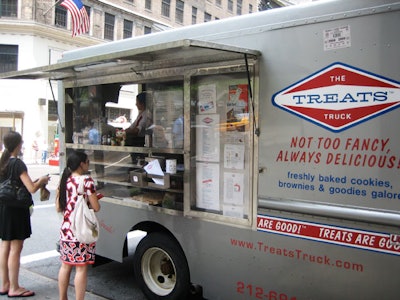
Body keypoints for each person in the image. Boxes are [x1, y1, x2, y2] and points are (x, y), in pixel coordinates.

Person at [0, 131, 50, 298]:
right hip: (16, 210)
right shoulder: (18, 164)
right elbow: (31, 188)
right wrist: (42, 181)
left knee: (5, 245)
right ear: (18, 144)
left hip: (4, 208)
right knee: (16, 248)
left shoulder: (3, 161)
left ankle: (5, 283)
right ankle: (14, 287)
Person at [56, 151, 100, 300]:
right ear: (82, 164)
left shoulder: (64, 181)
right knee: (81, 268)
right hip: (80, 230)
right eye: (87, 162)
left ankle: (62, 298)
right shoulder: (86, 181)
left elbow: (59, 207)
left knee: (65, 265)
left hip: (66, 230)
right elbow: (96, 207)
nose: (89, 164)